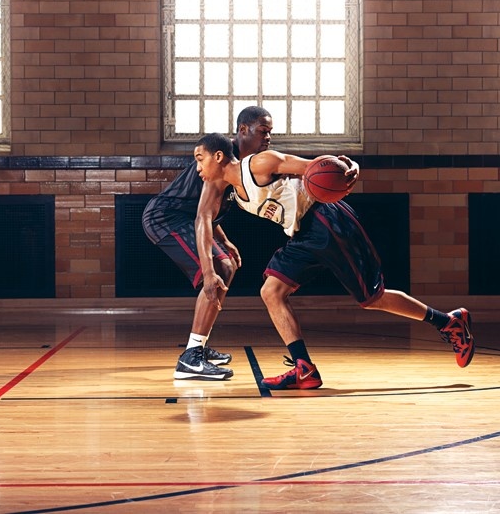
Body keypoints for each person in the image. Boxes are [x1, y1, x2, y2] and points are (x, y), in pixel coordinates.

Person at [193, 133, 474, 390]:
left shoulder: (260, 163)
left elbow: (317, 167)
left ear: (218, 157)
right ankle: (304, 368)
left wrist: (348, 164)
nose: (197, 168)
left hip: (326, 220)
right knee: (271, 291)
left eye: (199, 159)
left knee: (371, 298)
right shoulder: (226, 187)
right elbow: (203, 218)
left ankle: (448, 322)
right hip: (302, 233)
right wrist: (208, 270)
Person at [141, 107, 274, 381]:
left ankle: (198, 347)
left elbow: (211, 210)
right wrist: (209, 267)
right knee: (217, 270)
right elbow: (202, 214)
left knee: (227, 267)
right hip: (165, 218)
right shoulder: (222, 157)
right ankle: (191, 358)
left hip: (186, 219)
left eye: (270, 132)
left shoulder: (243, 162)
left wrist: (224, 240)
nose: (268, 138)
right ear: (243, 130)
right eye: (263, 131)